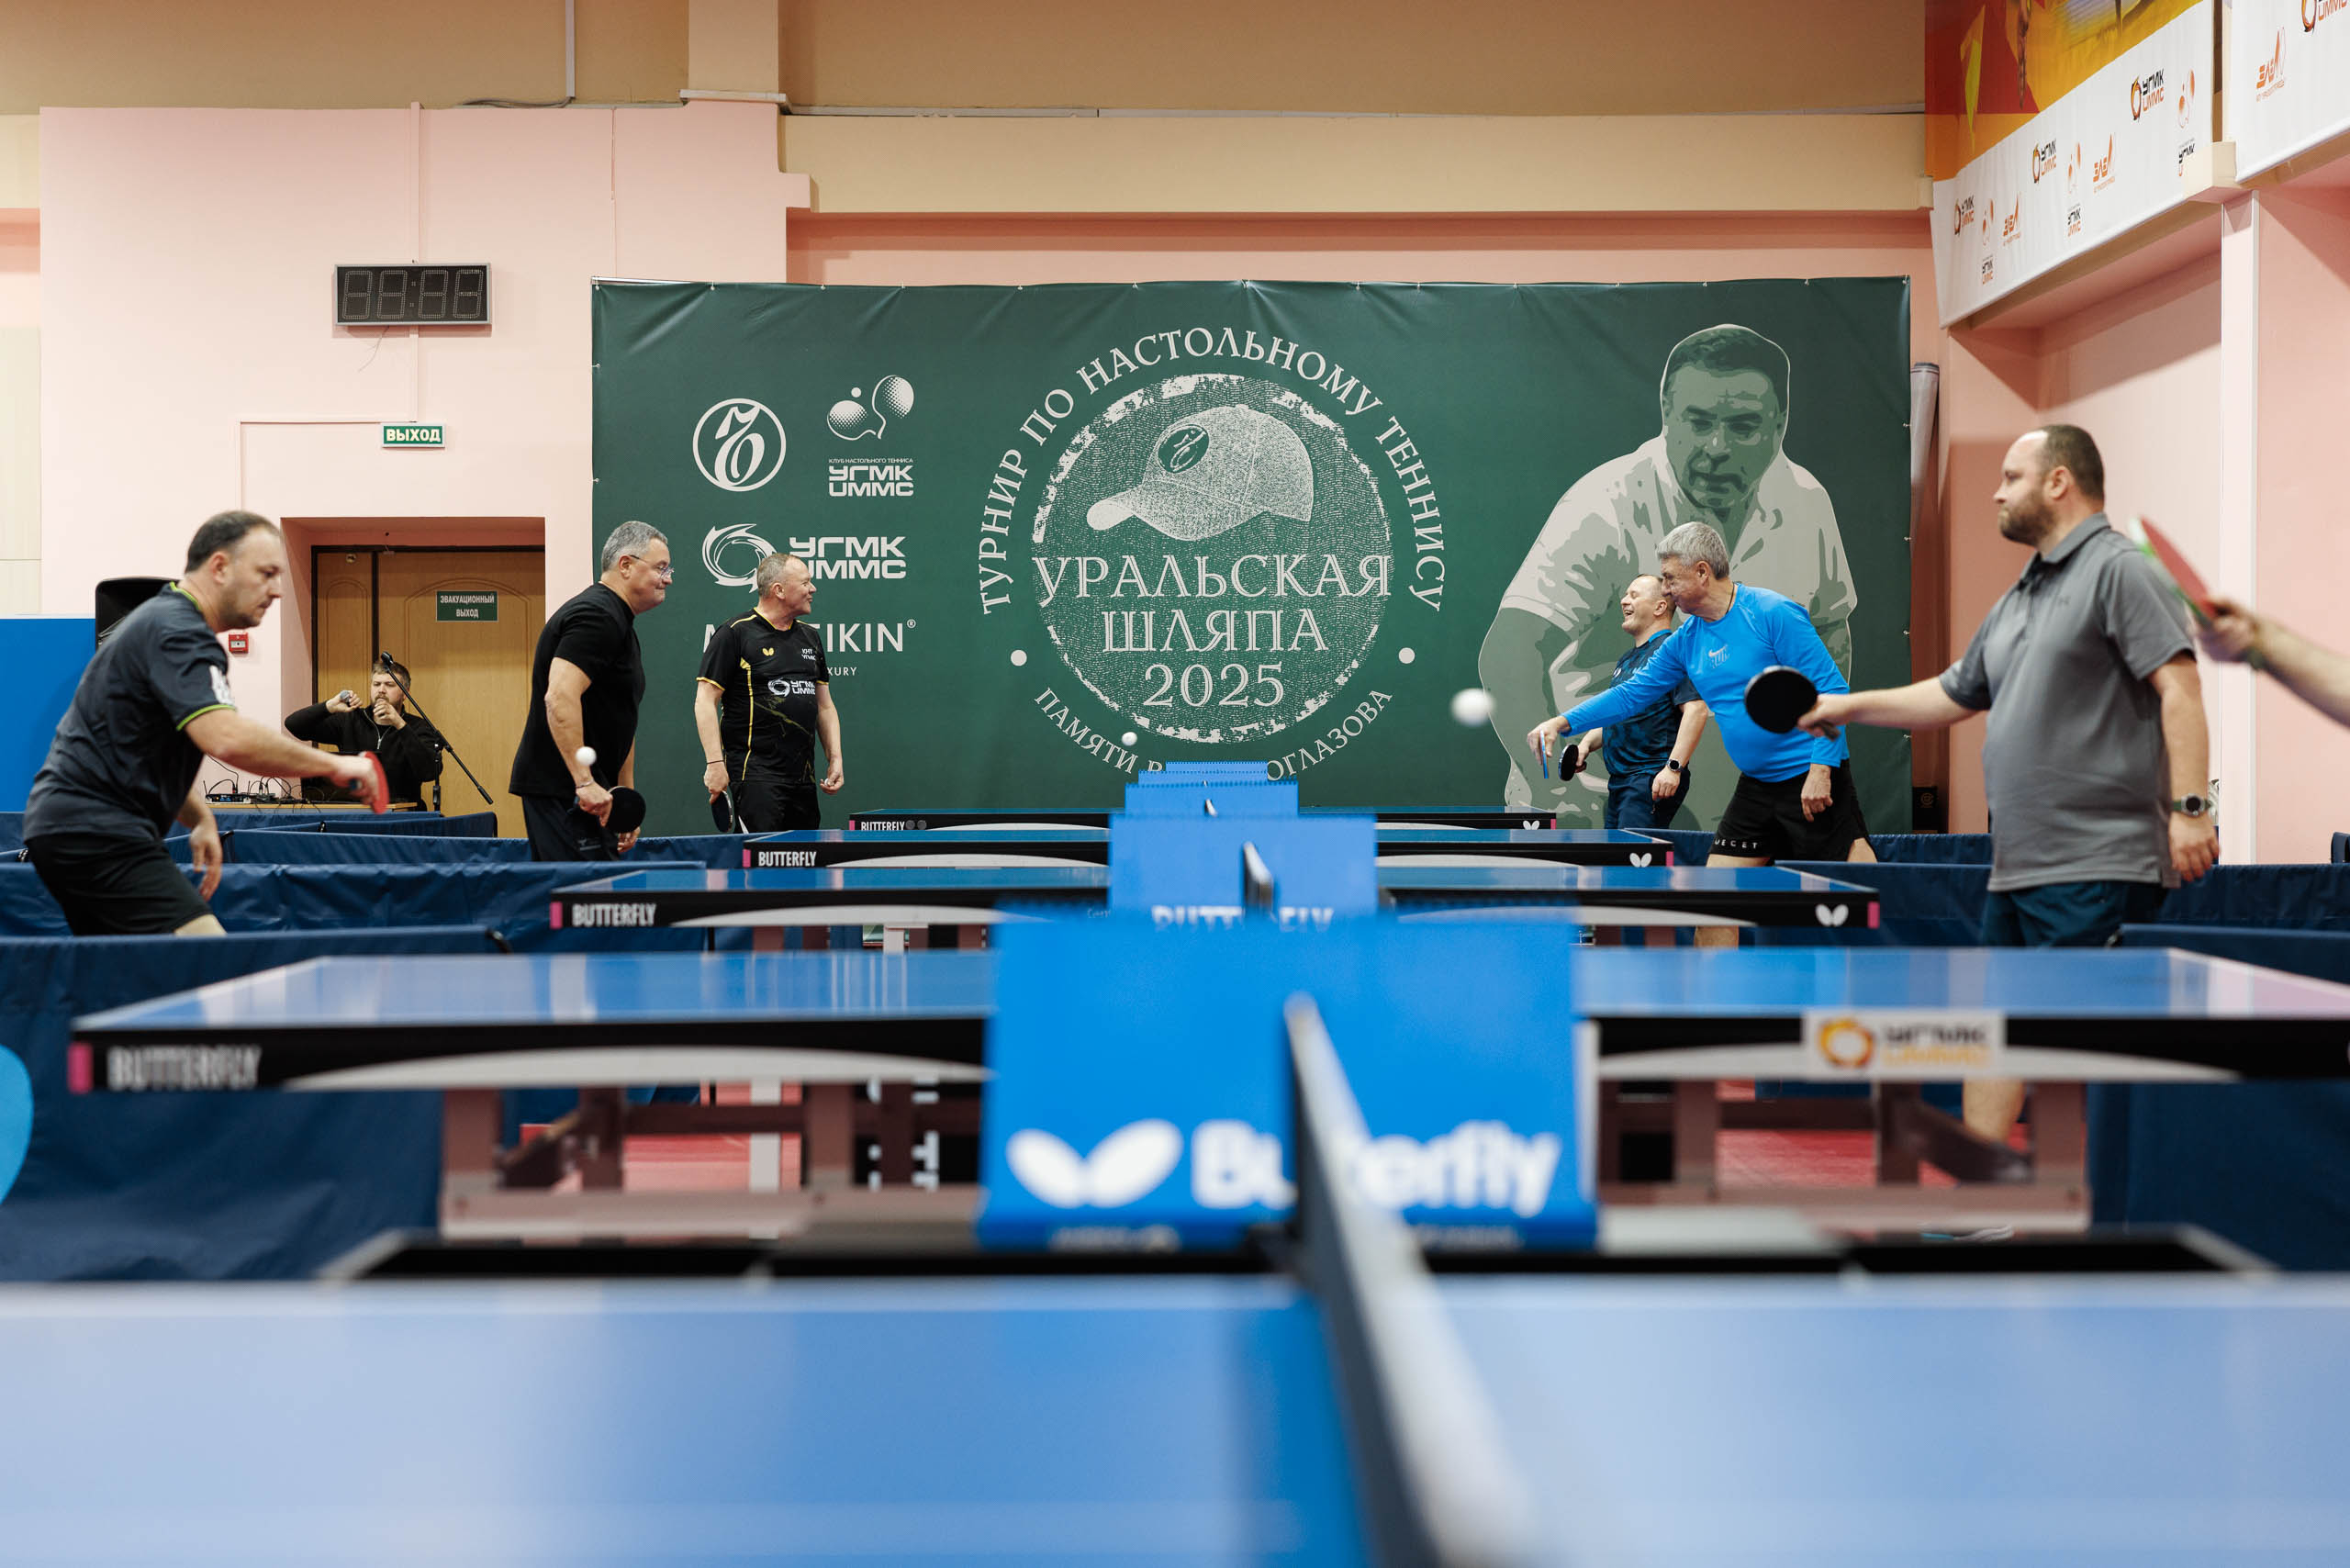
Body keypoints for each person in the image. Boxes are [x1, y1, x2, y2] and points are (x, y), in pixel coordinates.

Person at [1797, 425, 2217, 1141]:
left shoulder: (2120, 570)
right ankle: (1981, 1189)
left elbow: (2180, 688)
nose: (1997, 492)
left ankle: (2090, 1200)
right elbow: (1951, 694)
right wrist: (1846, 706)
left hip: (2097, 864)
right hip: (2018, 865)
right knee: (1992, 1030)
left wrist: (2191, 809)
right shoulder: (2022, 592)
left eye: (2011, 477)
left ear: (2059, 481)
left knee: (2073, 1048)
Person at [1481, 323, 1857, 825]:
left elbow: (1831, 660)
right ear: (1666, 413)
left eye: (1744, 426)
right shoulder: (1607, 511)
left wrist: (1819, 764)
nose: (1718, 447)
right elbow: (1596, 681)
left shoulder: (1788, 567)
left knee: (1841, 853)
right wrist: (1560, 746)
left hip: (1758, 786)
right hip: (1603, 794)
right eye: (1698, 422)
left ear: (1780, 424)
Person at [22, 510, 386, 935]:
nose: (277, 590)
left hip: (73, 826)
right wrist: (338, 764)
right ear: (220, 567)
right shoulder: (178, 631)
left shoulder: (163, 623)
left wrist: (200, 818)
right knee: (206, 954)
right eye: (266, 573)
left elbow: (139, 755)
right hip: (96, 831)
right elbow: (227, 738)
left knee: (126, 966)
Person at [1528, 520, 1874, 881]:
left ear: (1702, 572)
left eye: (1669, 578)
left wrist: (1821, 770)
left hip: (1809, 775)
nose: (1665, 589)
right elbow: (1630, 695)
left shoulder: (1772, 613)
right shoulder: (1686, 640)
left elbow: (1831, 691)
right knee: (1714, 892)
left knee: (1857, 890)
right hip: (1756, 785)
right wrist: (1561, 722)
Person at [509, 521, 669, 861]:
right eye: (660, 568)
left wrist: (624, 797)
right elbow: (559, 696)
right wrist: (583, 782)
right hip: (566, 791)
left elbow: (622, 717)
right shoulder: (597, 615)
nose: (667, 579)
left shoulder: (619, 622)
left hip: (595, 793)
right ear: (625, 565)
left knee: (601, 890)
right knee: (582, 893)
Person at [696, 552, 845, 832]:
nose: (813, 589)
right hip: (756, 778)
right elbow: (705, 700)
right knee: (760, 859)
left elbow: (824, 706)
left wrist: (835, 758)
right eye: (805, 583)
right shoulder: (735, 633)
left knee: (804, 860)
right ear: (779, 590)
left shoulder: (810, 637)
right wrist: (714, 763)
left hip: (803, 779)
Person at [1557, 574, 1708, 831]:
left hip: (1650, 777)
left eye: (1634, 595)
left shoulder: (1672, 651)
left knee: (1633, 853)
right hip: (1620, 782)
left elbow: (1696, 710)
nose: (1624, 601)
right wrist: (1585, 746)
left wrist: (1673, 769)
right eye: (1625, 594)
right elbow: (1618, 715)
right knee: (1618, 853)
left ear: (1660, 607)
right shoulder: (1627, 660)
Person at [284, 661, 442, 806]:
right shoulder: (351, 719)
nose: (381, 690)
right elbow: (294, 725)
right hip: (356, 813)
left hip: (401, 815)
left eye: (389, 685)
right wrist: (329, 706)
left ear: (405, 693)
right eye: (376, 684)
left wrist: (400, 725)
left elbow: (429, 772)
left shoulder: (418, 727)